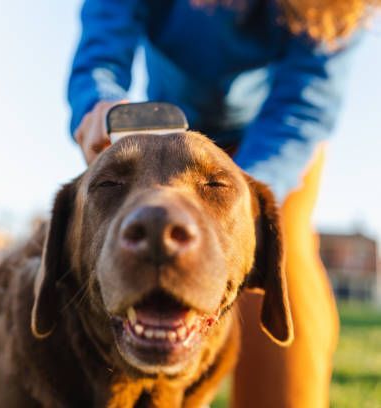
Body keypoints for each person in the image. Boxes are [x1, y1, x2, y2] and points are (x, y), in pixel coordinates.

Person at [67, 1, 377, 406]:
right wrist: (98, 103)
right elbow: (105, 36)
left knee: (283, 265)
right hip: (173, 137)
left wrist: (235, 201)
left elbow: (303, 106)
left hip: (272, 143)